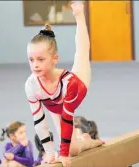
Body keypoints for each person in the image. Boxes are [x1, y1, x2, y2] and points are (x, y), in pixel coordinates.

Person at [25, 2, 103, 167]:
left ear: (55, 59)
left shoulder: (70, 81)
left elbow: (68, 118)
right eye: (31, 60)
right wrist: (50, 152)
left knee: (81, 52)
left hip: (76, 88)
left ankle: (80, 16)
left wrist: (63, 153)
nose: (35, 65)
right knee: (74, 149)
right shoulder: (31, 85)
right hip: (55, 104)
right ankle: (89, 141)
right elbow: (39, 121)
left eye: (40, 59)